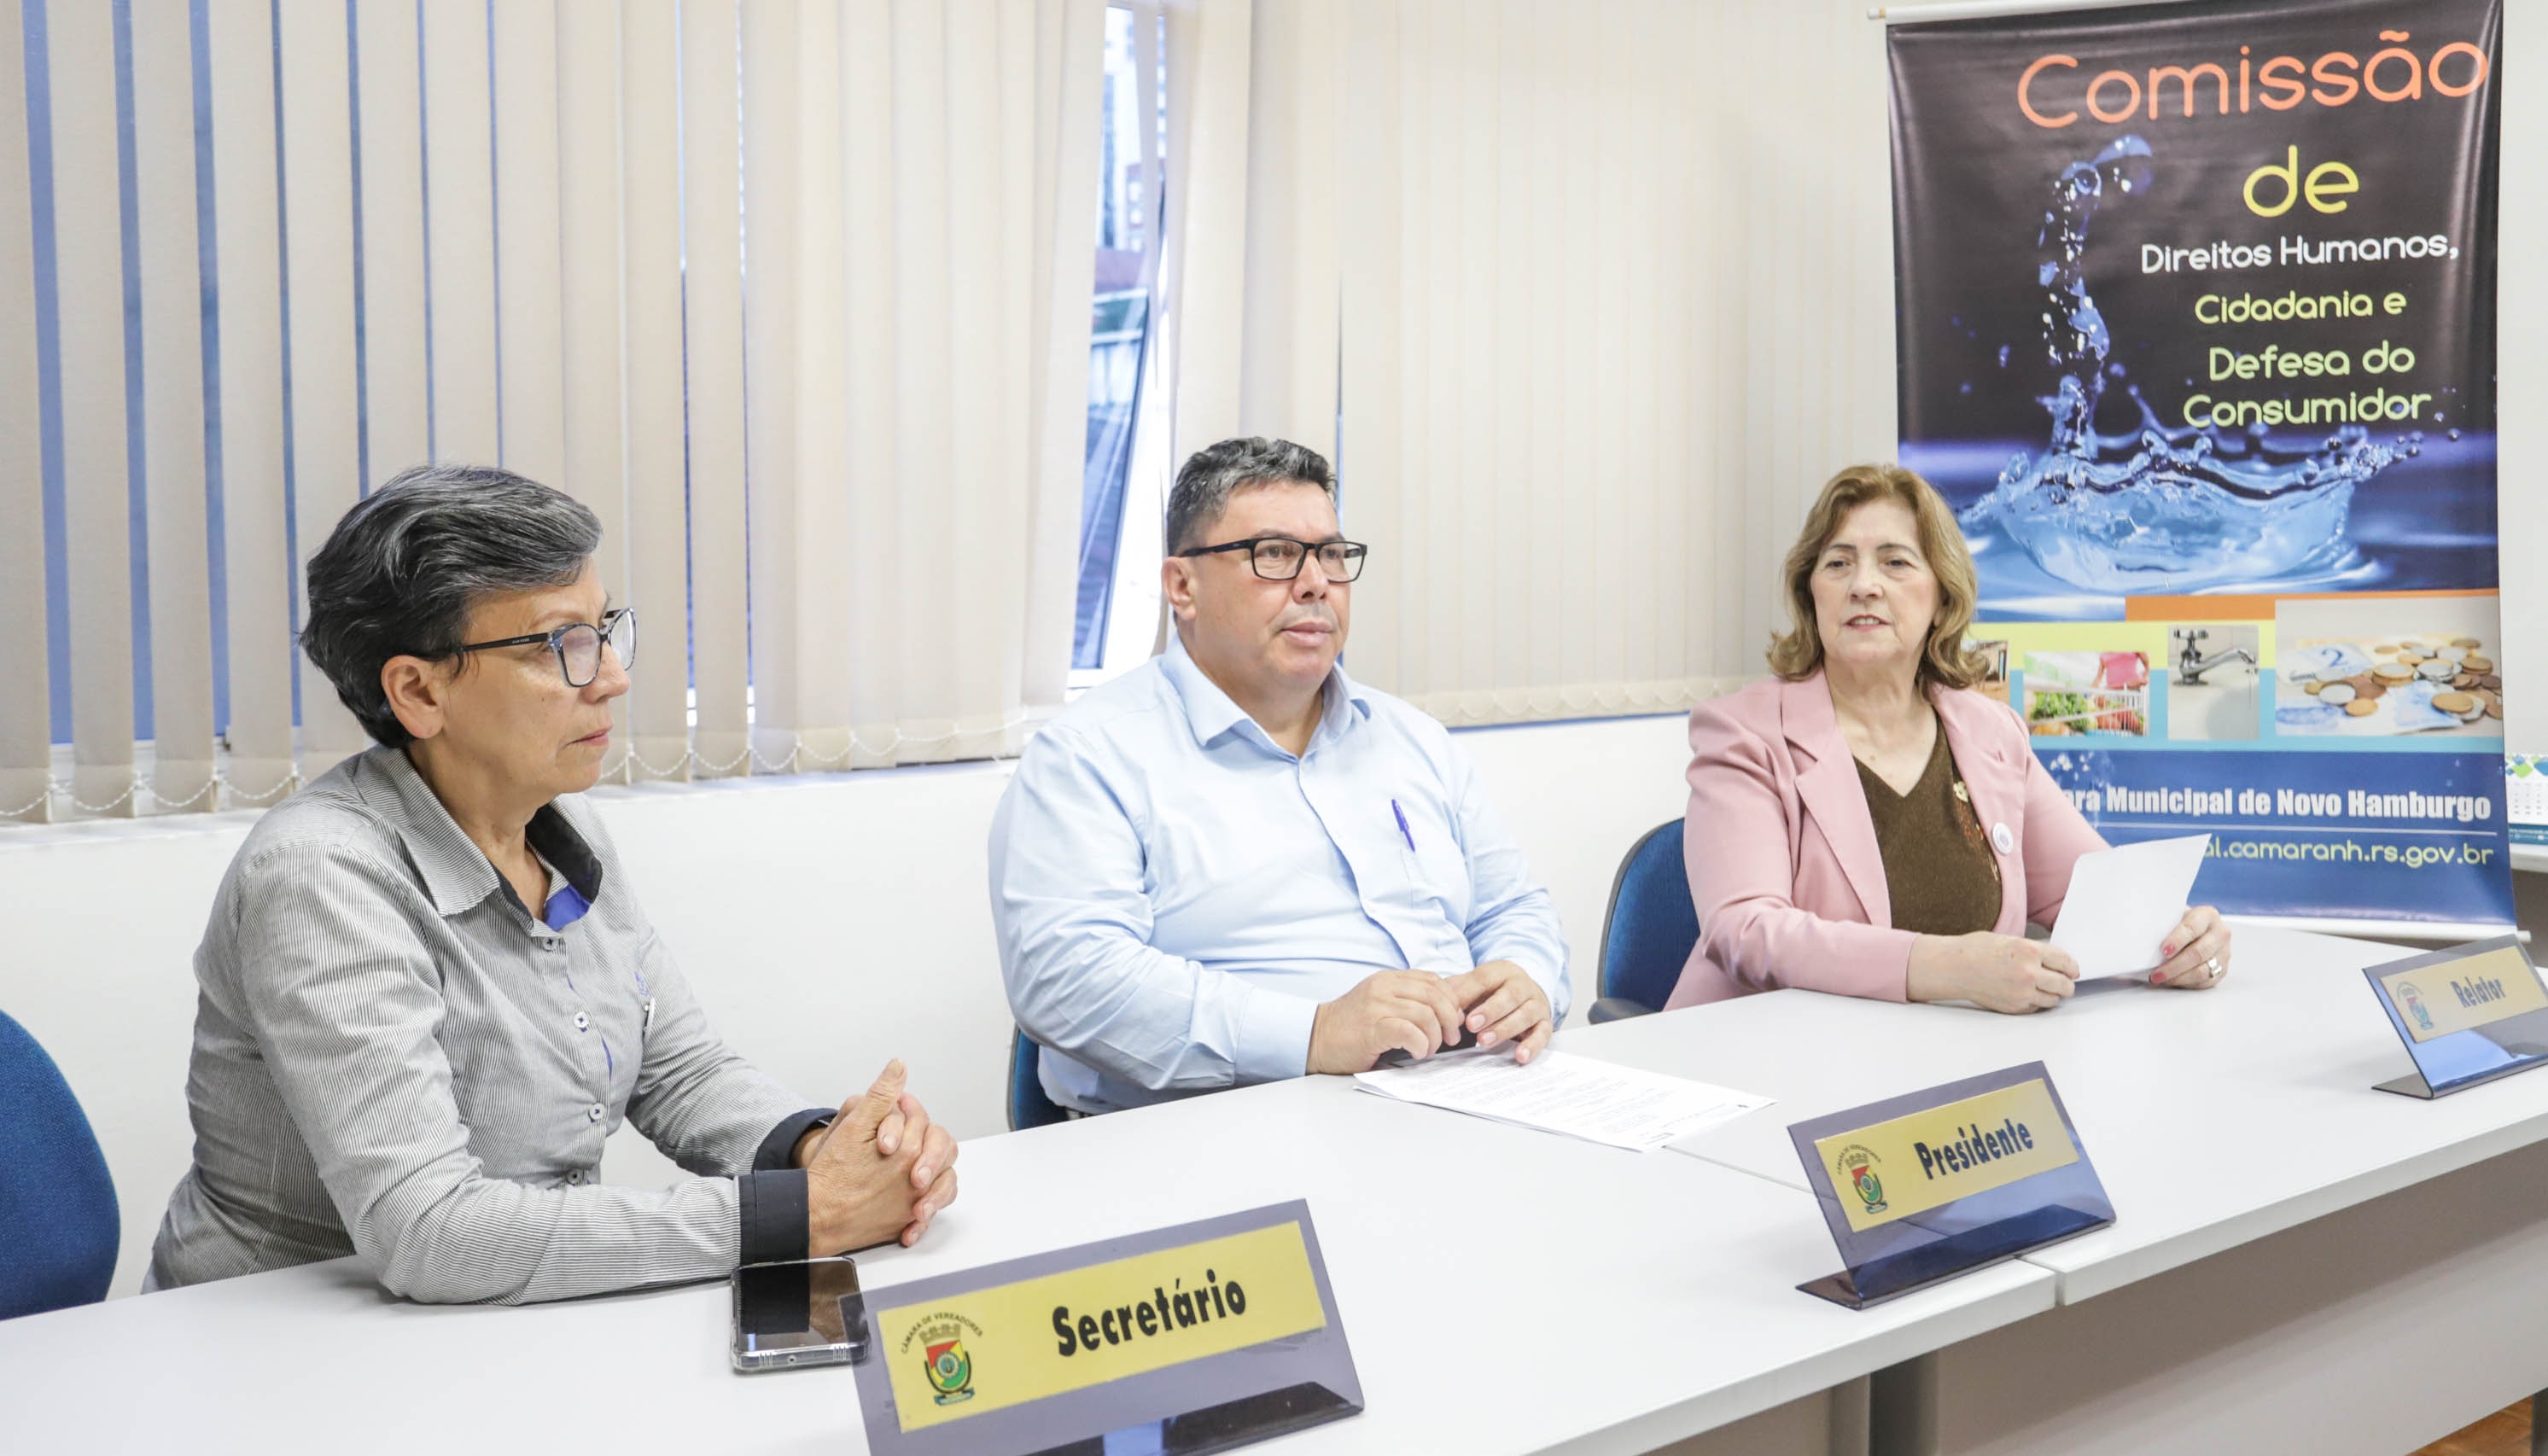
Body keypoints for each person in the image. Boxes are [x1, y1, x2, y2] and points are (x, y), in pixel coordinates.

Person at [145, 464, 957, 1304]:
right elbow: (431, 1232)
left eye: (603, 629)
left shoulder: (558, 828)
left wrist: (833, 1151)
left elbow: (679, 1070)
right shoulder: (322, 876)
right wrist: (798, 1217)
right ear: (418, 690)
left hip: (502, 1321)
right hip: (290, 1341)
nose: (611, 676)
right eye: (558, 644)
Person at [991, 437, 1570, 1114]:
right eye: (1274, 554)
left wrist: (1525, 979)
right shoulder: (1088, 757)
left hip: (1472, 1095)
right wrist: (1312, 1034)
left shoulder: (1412, 739)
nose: (1316, 582)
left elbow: (1510, 907)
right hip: (1225, 1128)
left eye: (1331, 554)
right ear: (1182, 586)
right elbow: (1067, 979)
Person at [1665, 463, 2230, 1014]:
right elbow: (1745, 929)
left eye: (1895, 562)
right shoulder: (1745, 733)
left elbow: (2094, 897)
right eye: (1838, 563)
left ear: (1941, 598)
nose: (1863, 585)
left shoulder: (1991, 732)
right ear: (1811, 593)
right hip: (1768, 1054)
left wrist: (2180, 938)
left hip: (1955, 1062)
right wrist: (1947, 966)